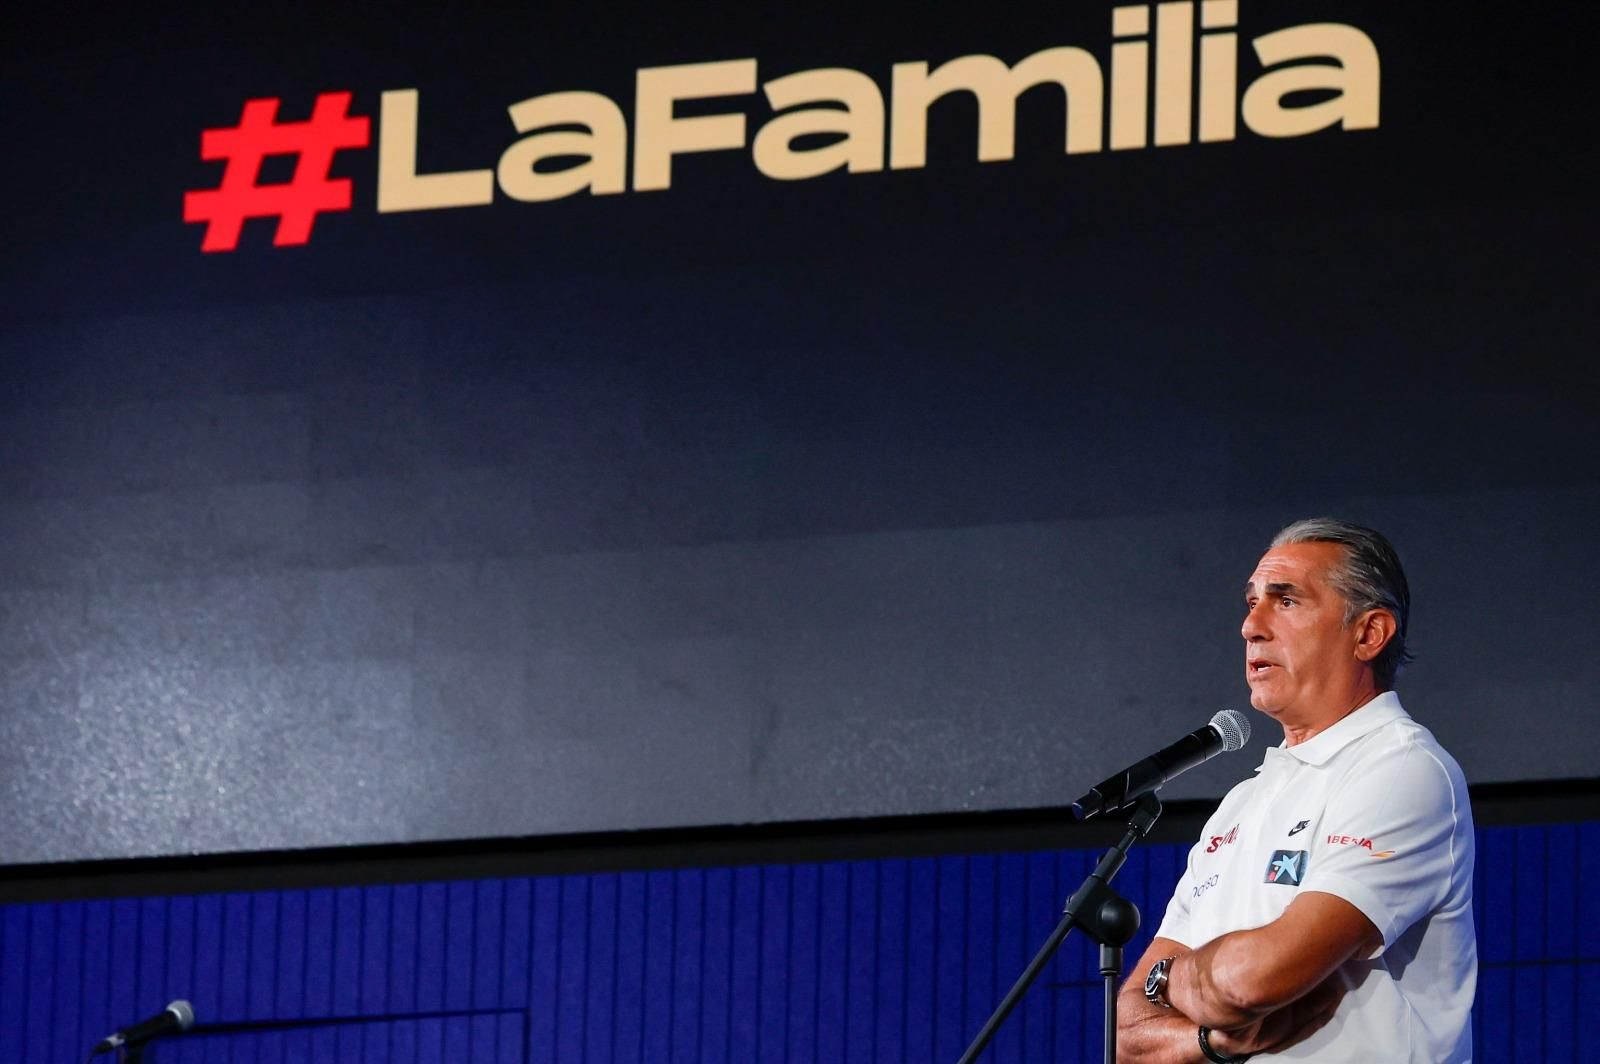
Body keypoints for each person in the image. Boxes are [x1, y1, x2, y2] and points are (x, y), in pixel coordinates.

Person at [1116, 518, 1476, 1062]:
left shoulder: (1402, 768)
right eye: (1252, 601)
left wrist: (1169, 975)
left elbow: (1255, 980)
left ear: (1368, 633)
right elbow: (1125, 1032)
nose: (1250, 627)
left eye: (1285, 602)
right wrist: (1206, 1040)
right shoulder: (1242, 803)